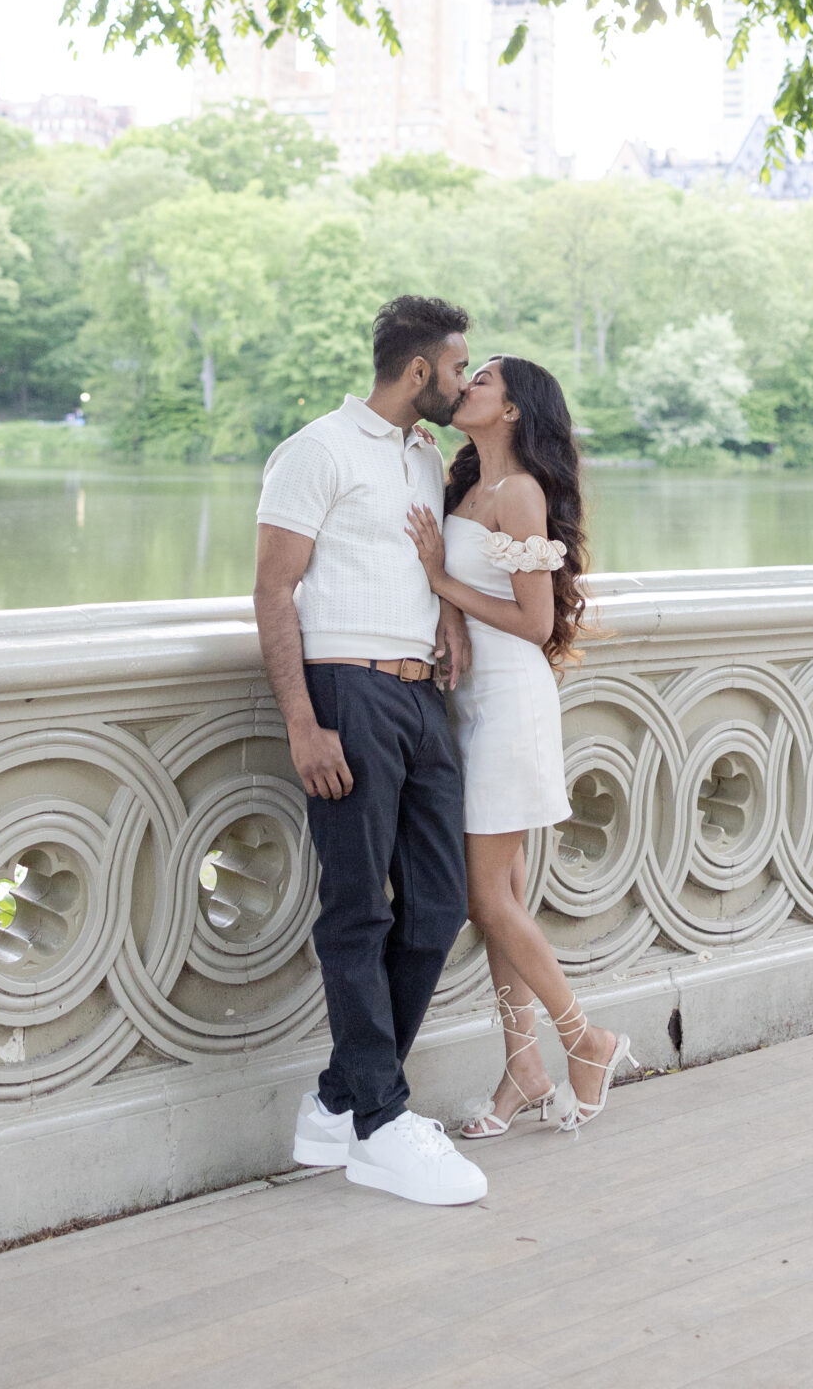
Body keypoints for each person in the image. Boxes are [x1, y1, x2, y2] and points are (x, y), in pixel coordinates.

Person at [252, 294, 489, 1208]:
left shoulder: (423, 456)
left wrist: (446, 625)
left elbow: (419, 567)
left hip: (421, 699)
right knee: (358, 911)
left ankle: (336, 1103)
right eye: (458, 367)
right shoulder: (315, 451)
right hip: (343, 691)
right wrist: (302, 724)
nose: (465, 382)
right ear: (419, 370)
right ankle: (382, 1126)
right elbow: (275, 593)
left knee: (436, 907)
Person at [406, 353, 634, 1136]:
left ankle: (586, 1039)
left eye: (483, 381)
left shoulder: (520, 494)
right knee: (498, 903)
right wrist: (442, 605)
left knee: (484, 898)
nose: (466, 386)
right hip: (469, 704)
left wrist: (441, 582)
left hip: (509, 703)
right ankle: (522, 1072)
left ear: (510, 411)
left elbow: (536, 625)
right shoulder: (467, 487)